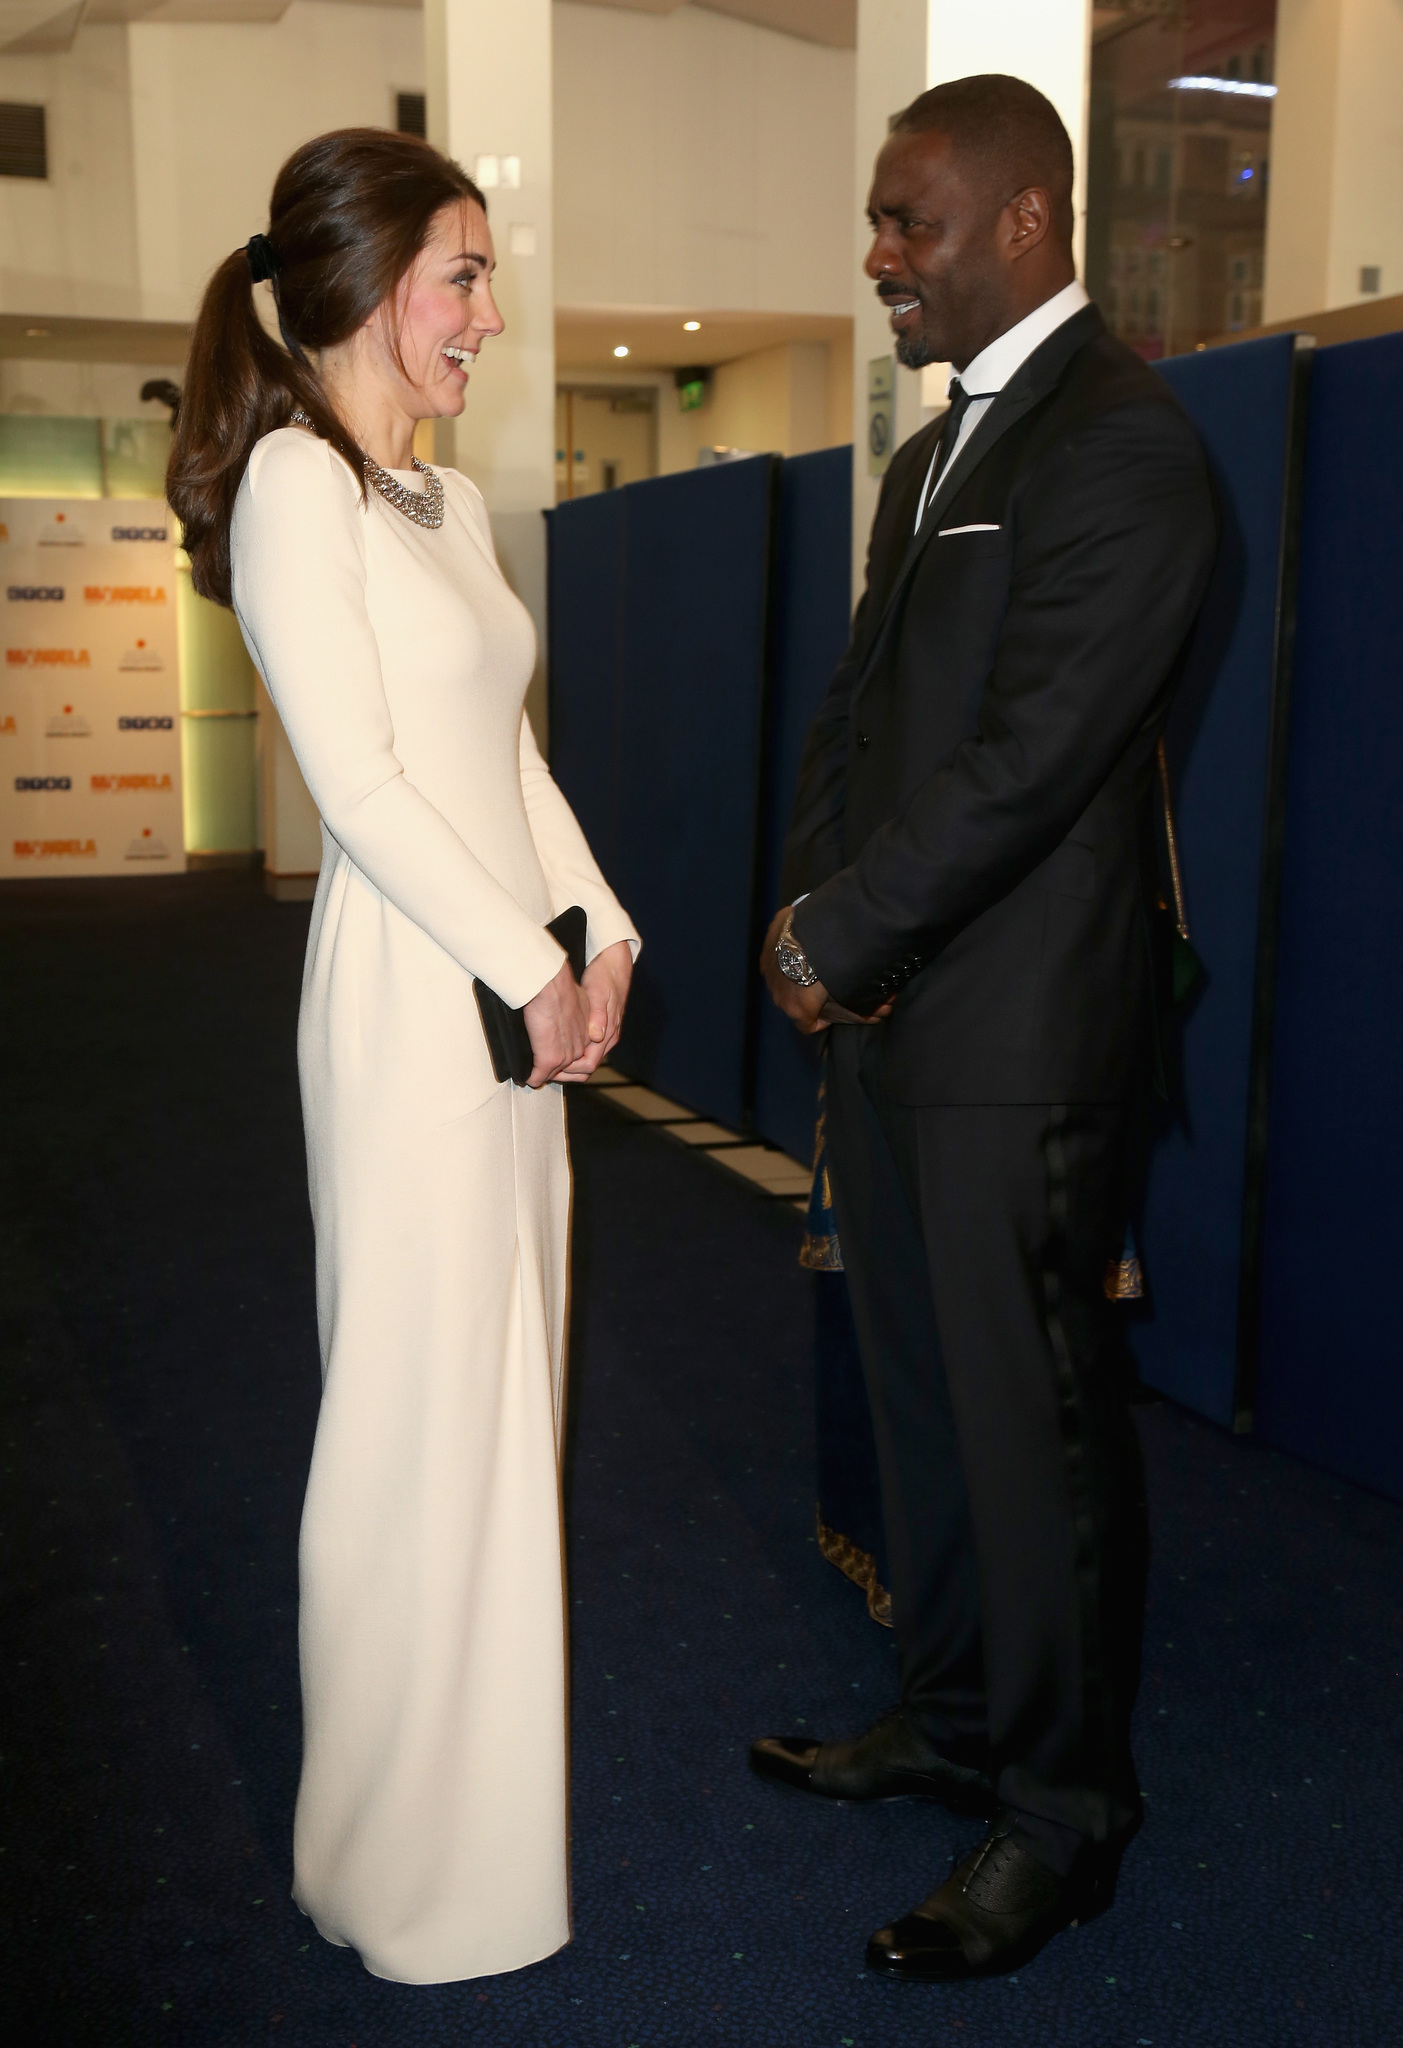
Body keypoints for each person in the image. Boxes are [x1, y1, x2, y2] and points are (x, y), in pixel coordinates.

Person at [753, 75, 1218, 1981]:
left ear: (1025, 220)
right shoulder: (924, 456)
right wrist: (805, 922)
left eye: (908, 224)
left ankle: (1061, 1816)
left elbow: (1036, 763)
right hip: (888, 1012)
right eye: (876, 225)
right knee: (928, 1400)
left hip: (1024, 1035)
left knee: (1030, 1432)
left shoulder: (1126, 447)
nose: (879, 261)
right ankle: (948, 1724)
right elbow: (865, 721)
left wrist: (852, 927)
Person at [167, 128, 639, 1986]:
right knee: (412, 1425)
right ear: (363, 287)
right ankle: (391, 1864)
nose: (492, 316)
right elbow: (358, 782)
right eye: (463, 276)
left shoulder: (440, 502)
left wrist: (600, 930)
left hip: (507, 995)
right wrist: (529, 965)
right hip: (408, 1007)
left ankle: (483, 1843)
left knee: (507, 1404)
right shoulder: (296, 483)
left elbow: (503, 754)